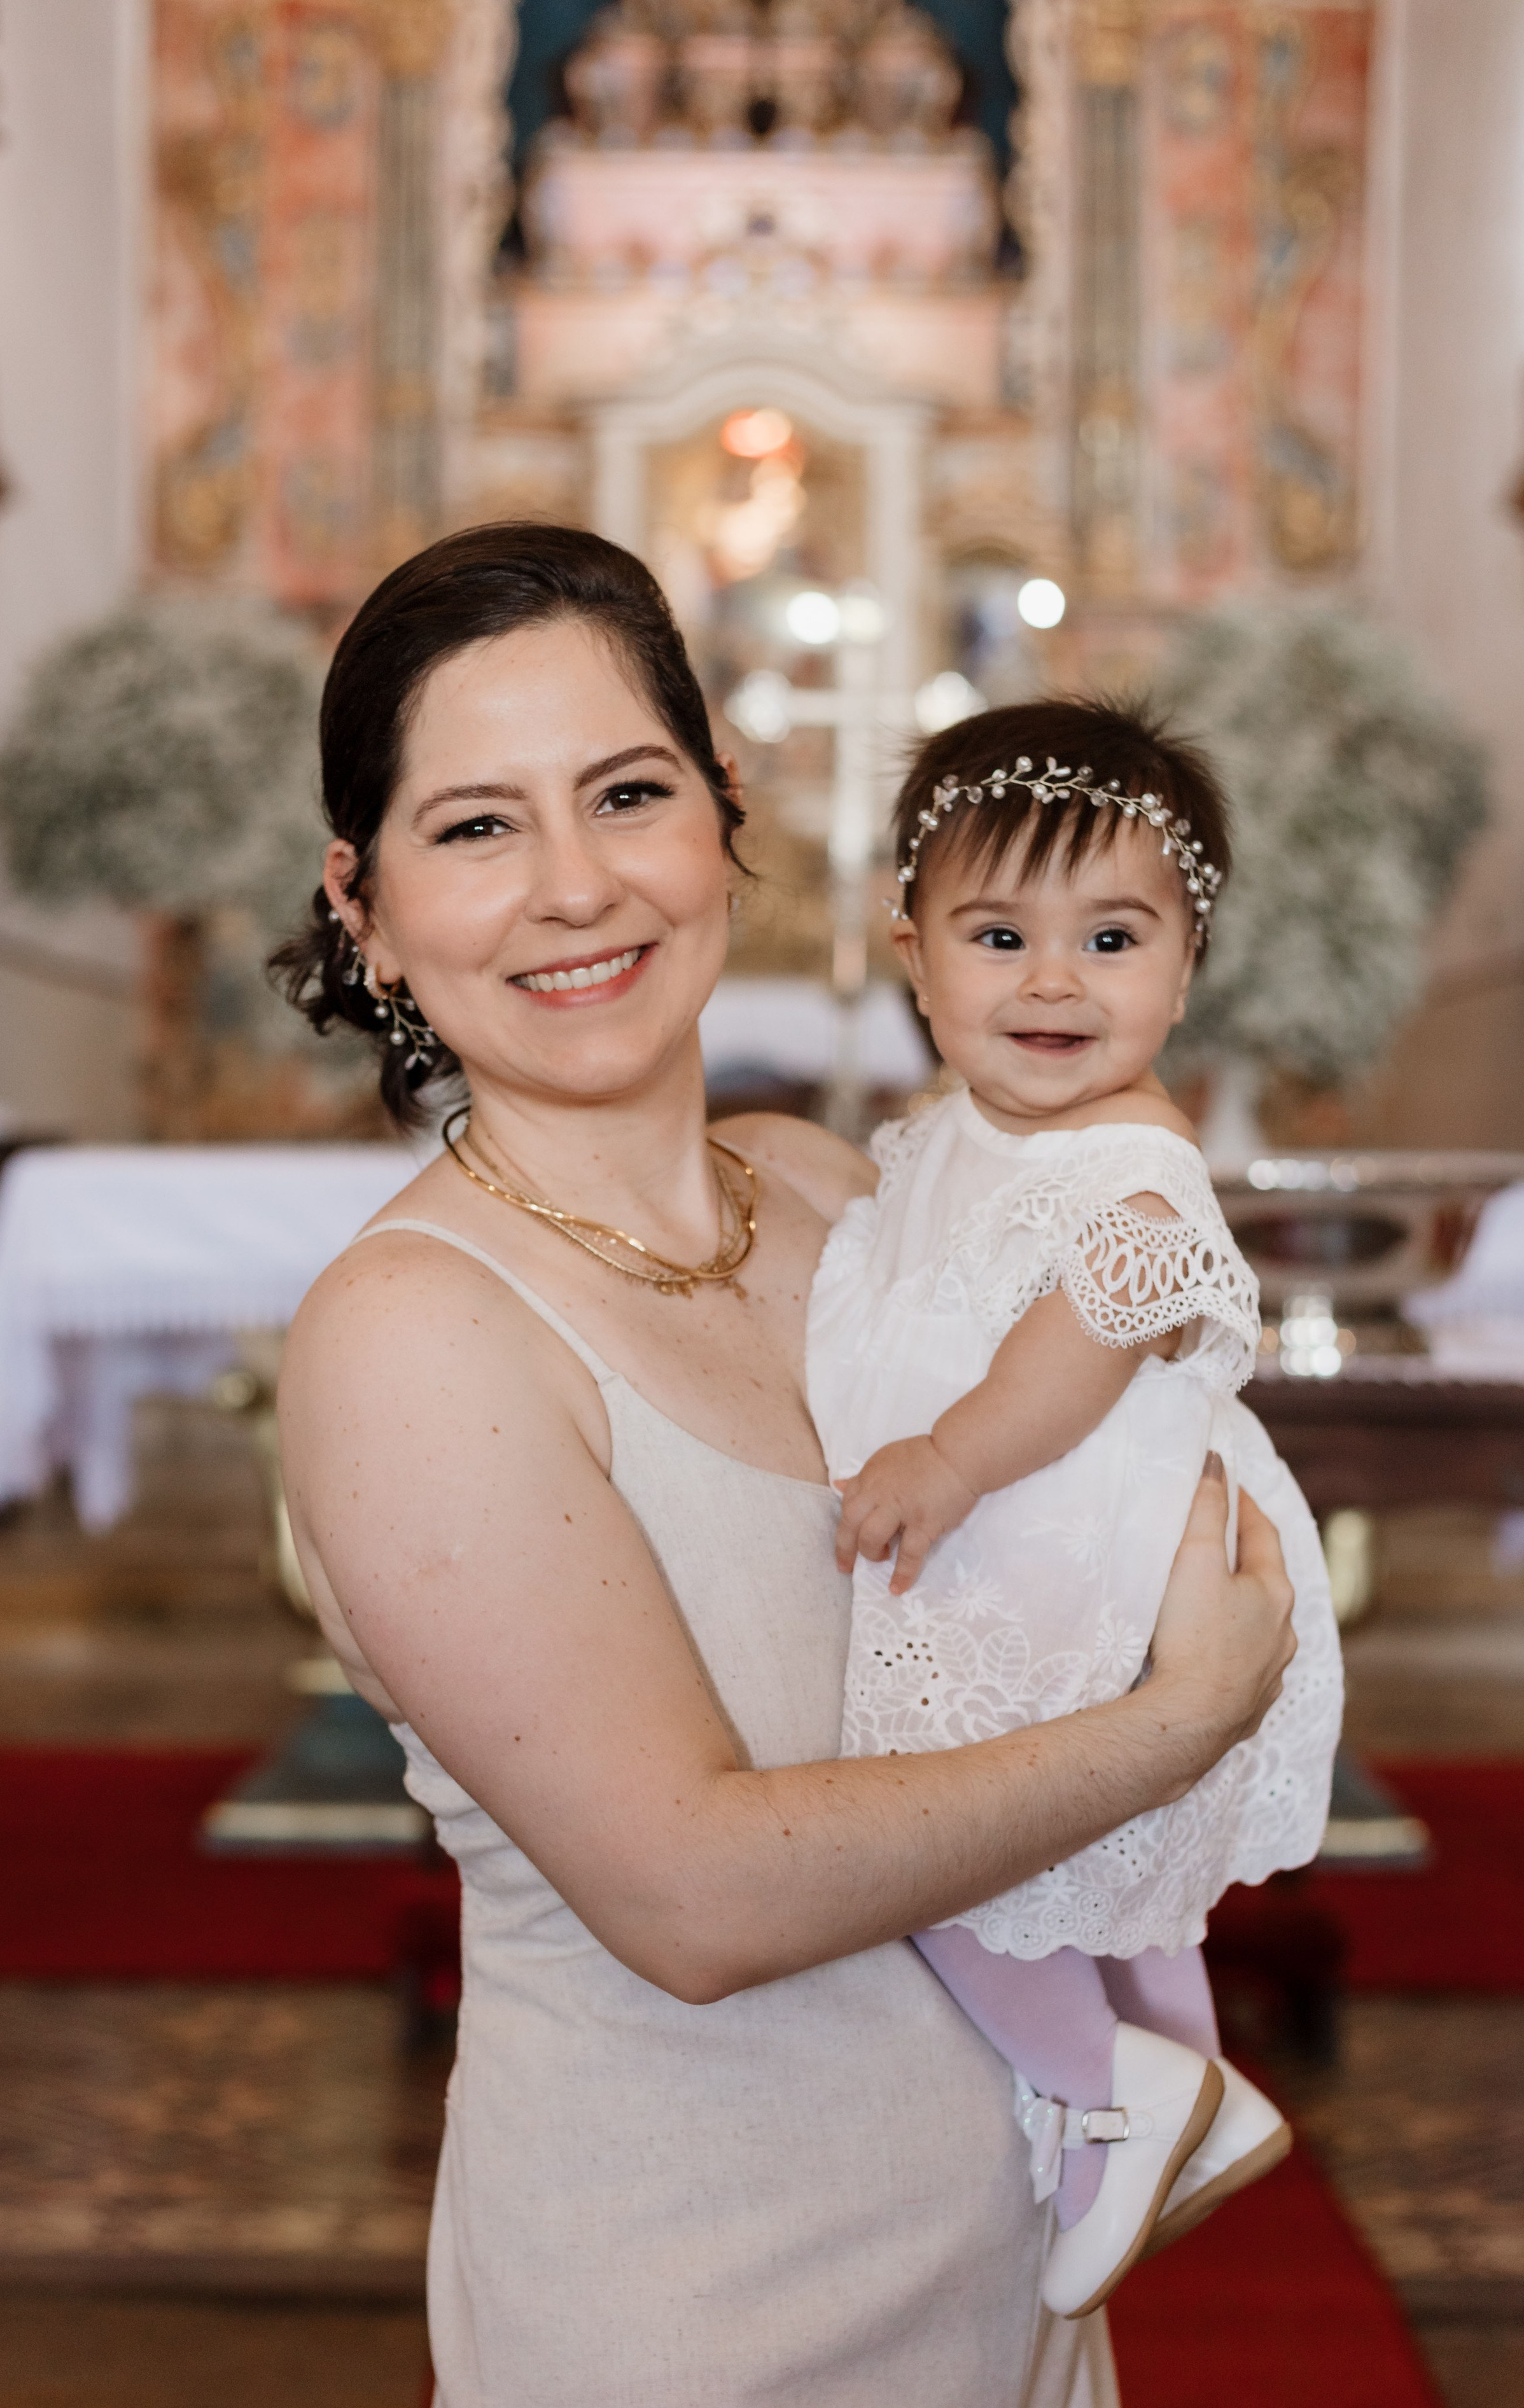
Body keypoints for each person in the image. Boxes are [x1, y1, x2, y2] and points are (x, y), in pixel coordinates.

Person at [273, 523, 1297, 2408]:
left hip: (1018, 2289)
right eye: (478, 828)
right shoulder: (417, 1331)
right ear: (366, 904)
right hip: (700, 2310)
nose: (576, 886)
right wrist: (1182, 1717)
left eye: (628, 792)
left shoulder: (845, 1193)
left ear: (723, 807)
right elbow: (695, 1900)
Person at [810, 700, 1343, 2321]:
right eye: (998, 935)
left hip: (1057, 1551)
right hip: (1026, 1551)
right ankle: (1171, 2078)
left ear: (1182, 970)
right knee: (1096, 1879)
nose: (1053, 981)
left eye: (1109, 938)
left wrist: (950, 1459)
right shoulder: (960, 1140)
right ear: (912, 954)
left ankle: (1106, 2089)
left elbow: (1072, 1351)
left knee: (937, 1858)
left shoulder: (1130, 1167)